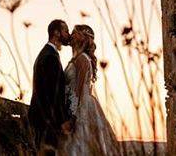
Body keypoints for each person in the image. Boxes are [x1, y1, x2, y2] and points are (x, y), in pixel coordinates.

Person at [60, 24, 119, 155]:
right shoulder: (77, 58)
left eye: (74, 33)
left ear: (82, 37)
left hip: (81, 107)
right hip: (81, 103)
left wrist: (72, 117)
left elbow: (78, 90)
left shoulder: (82, 59)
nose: (71, 35)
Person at [28, 19, 72, 154]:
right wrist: (63, 120)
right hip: (47, 119)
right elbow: (54, 93)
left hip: (42, 117)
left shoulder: (47, 53)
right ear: (56, 33)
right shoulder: (50, 57)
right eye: (66, 31)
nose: (68, 35)